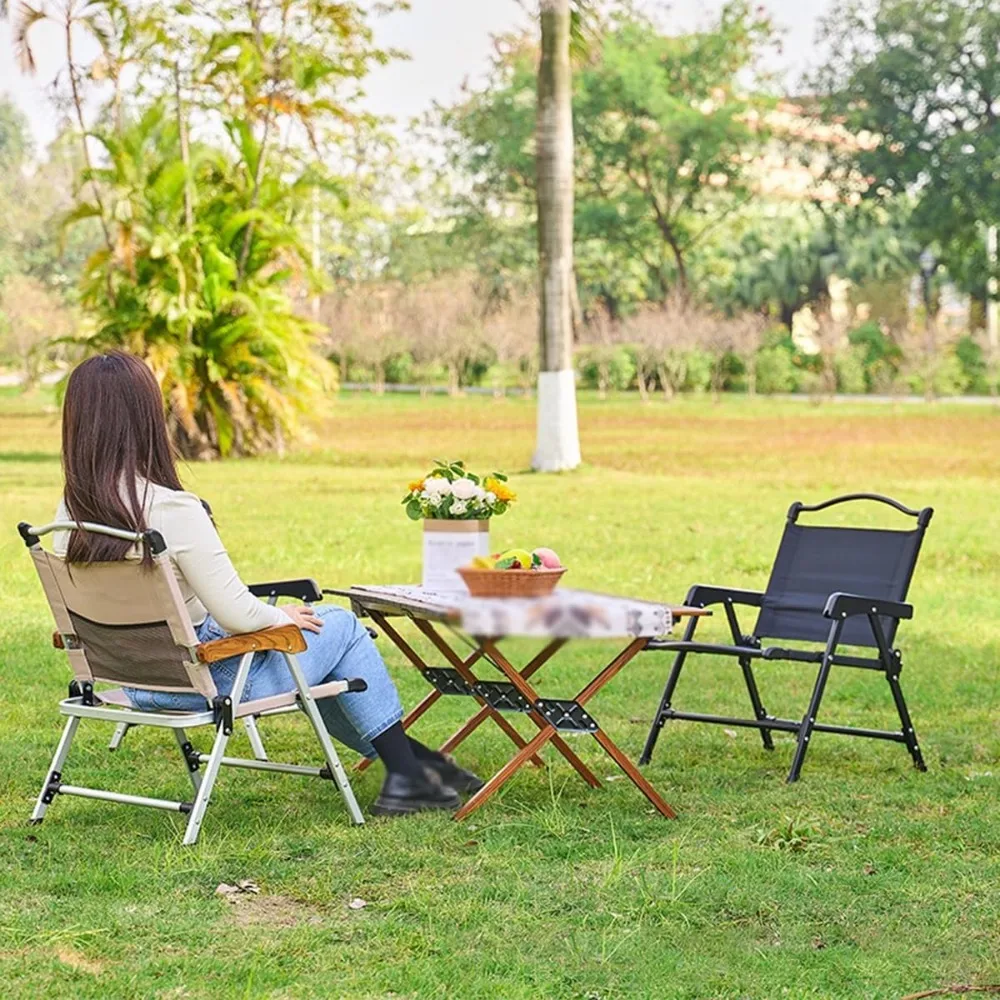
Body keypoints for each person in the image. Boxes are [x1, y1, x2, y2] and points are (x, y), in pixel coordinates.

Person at [53, 351, 482, 817]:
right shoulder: (172, 510)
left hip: (136, 682)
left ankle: (421, 767)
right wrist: (282, 616)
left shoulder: (69, 515)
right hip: (211, 680)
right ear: (146, 419)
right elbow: (236, 614)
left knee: (330, 659)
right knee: (340, 628)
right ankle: (409, 775)